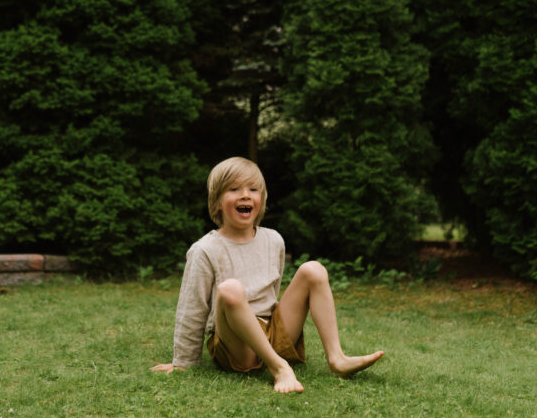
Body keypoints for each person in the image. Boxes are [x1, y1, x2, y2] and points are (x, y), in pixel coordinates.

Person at [151, 156, 383, 393]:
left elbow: (272, 296)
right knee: (230, 289)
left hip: (273, 332)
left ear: (261, 201)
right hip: (235, 344)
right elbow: (192, 309)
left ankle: (337, 359)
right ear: (218, 201)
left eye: (253, 189)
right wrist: (184, 362)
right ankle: (279, 368)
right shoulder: (205, 250)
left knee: (313, 269)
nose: (245, 195)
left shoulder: (273, 240)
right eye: (234, 189)